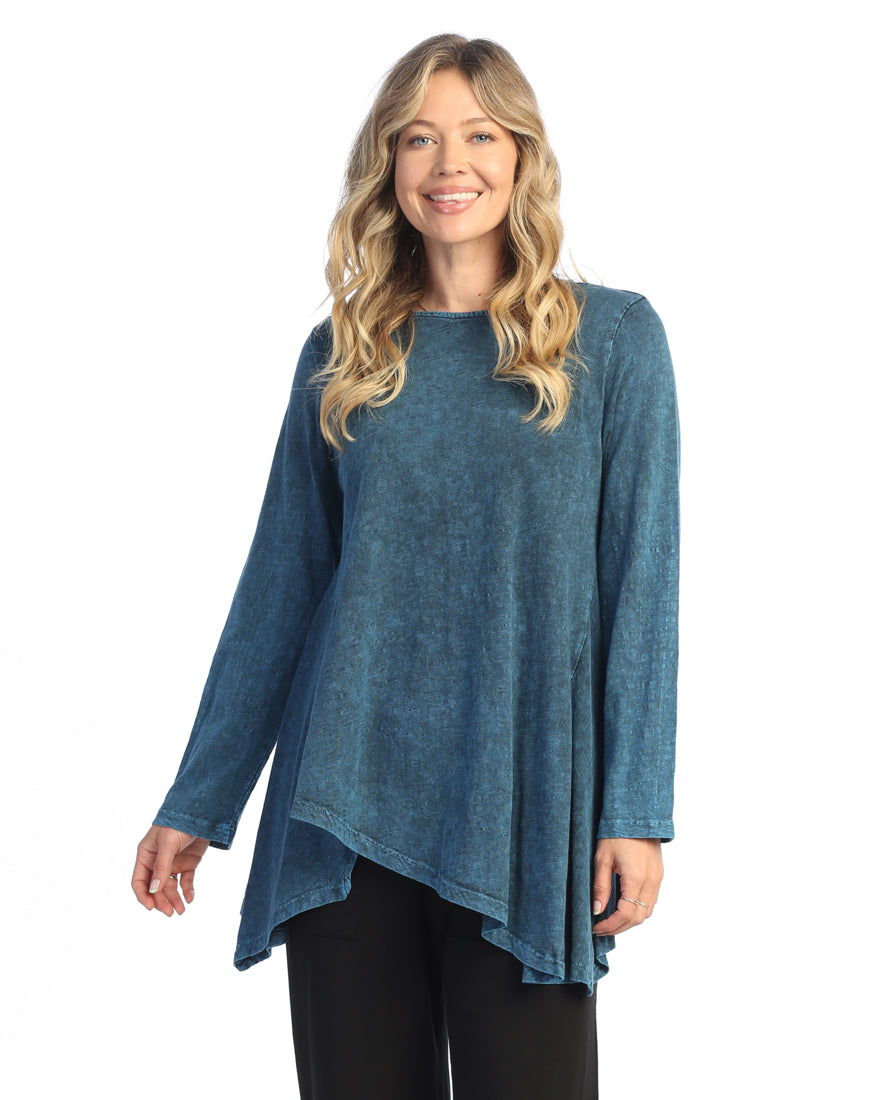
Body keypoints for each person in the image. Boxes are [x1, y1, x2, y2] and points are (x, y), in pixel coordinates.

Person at [132, 33, 680, 1100]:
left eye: (479, 135)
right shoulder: (345, 354)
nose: (449, 164)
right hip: (343, 805)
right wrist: (199, 798)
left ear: (521, 156)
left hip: (524, 804)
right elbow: (281, 588)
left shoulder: (613, 341)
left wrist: (634, 810)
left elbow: (641, 590)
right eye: (419, 139)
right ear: (388, 162)